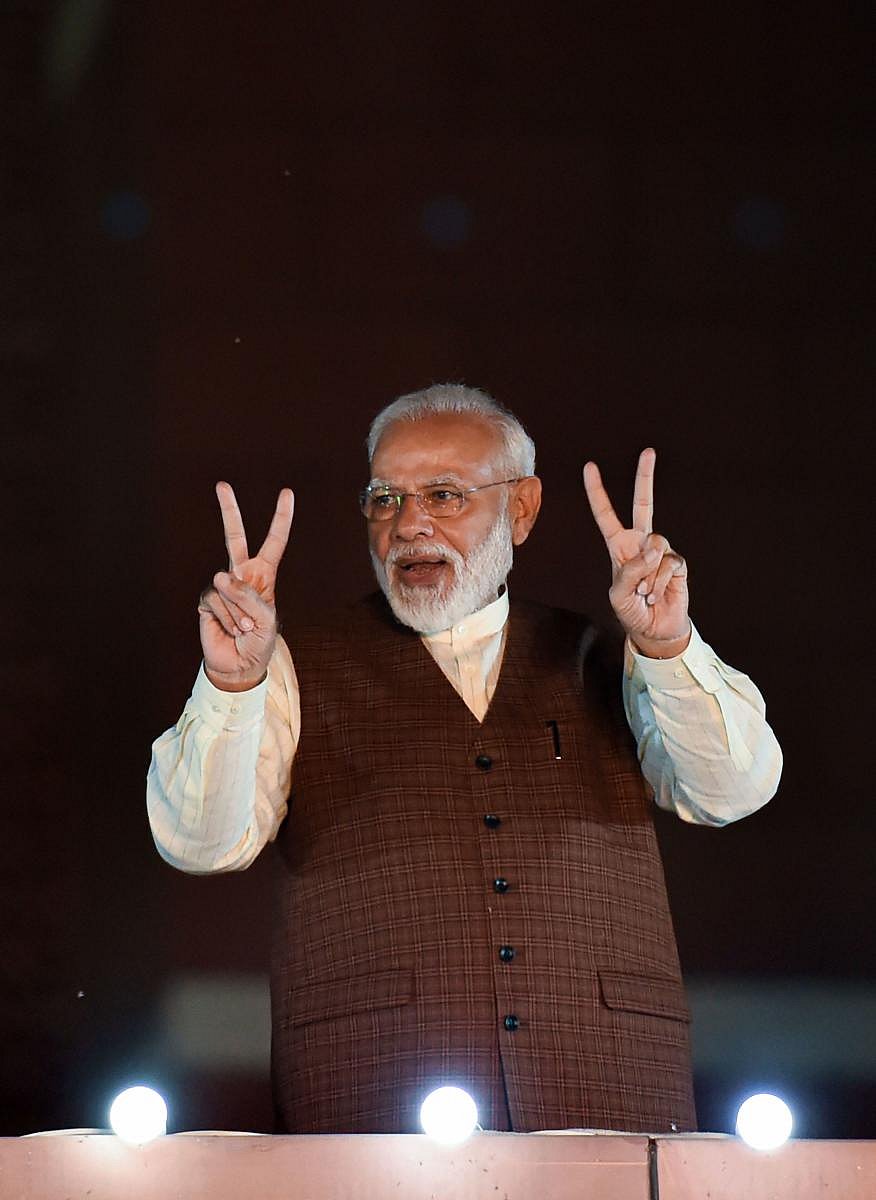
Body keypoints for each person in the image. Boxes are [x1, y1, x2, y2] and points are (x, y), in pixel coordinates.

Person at [148, 383, 781, 1135]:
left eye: (443, 495)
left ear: (521, 509)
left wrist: (669, 644)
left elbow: (733, 788)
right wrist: (231, 681)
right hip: (371, 1104)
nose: (409, 525)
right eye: (384, 500)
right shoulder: (287, 664)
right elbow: (200, 844)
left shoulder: (614, 653)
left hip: (608, 1090)